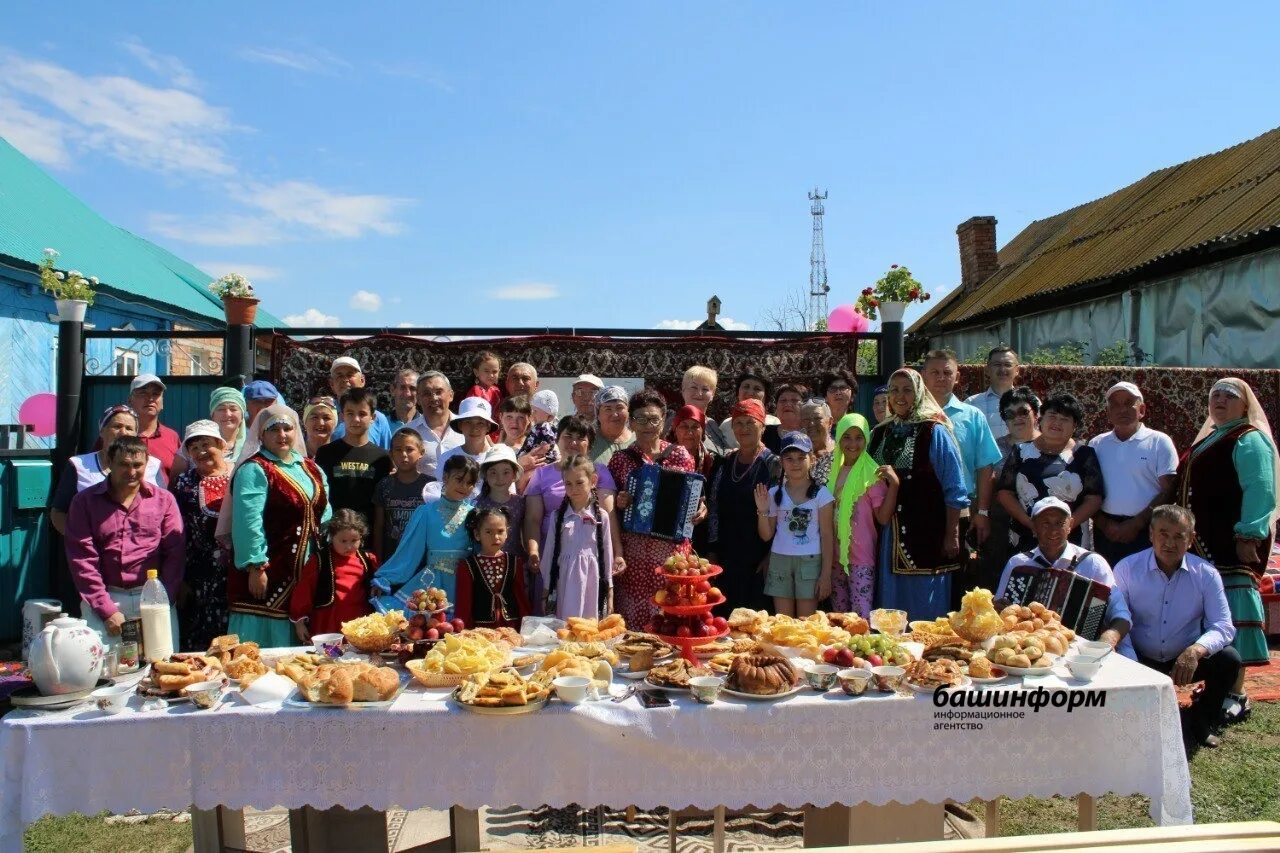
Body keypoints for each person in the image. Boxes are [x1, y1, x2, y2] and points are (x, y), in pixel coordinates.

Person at [1176, 377, 1279, 723]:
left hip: (1231, 542)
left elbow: (1261, 488)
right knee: (1213, 614)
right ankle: (1218, 683)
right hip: (1203, 544)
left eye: (1229, 395)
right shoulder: (1211, 438)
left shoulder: (1249, 439)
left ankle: (1237, 693)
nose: (1219, 400)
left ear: (1245, 404)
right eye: (1214, 395)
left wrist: (1249, 534)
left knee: (1232, 613)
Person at [1113, 505, 1241, 750]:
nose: (1169, 543)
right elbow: (1119, 620)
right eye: (1163, 534)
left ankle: (1202, 720)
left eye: (1178, 536)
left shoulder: (1206, 574)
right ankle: (1136, 720)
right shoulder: (1127, 569)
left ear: (1191, 540)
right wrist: (1133, 666)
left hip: (1185, 658)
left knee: (1229, 659)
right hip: (1140, 656)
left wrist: (1196, 650)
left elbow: (1223, 626)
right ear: (1151, 534)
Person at [223, 404, 331, 647]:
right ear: (261, 434)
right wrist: (255, 566)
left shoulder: (310, 467)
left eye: (287, 428)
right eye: (274, 430)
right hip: (270, 569)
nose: (282, 435)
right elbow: (248, 521)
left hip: (305, 569)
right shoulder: (255, 469)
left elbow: (325, 511)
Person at [65, 435, 184, 649]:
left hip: (154, 596)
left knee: (162, 669)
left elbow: (174, 554)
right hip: (105, 597)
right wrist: (106, 609)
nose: (131, 472)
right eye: (124, 465)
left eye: (138, 465)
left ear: (146, 464)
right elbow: (82, 560)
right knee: (104, 673)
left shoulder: (164, 500)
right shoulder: (84, 502)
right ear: (109, 463)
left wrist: (164, 599)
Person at [868, 368, 969, 620]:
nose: (899, 396)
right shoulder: (880, 432)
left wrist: (951, 534)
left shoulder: (934, 431)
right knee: (888, 606)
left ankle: (927, 654)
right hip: (885, 535)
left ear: (919, 392)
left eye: (907, 389)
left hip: (926, 532)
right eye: (894, 390)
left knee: (924, 604)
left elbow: (954, 488)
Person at [995, 497, 1132, 654]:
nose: (1053, 530)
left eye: (1060, 523)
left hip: (1085, 652)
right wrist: (998, 609)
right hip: (1033, 652)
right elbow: (1000, 611)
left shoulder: (1093, 563)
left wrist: (1108, 639)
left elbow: (1121, 614)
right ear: (1034, 527)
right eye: (1045, 523)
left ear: (1070, 526)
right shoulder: (1018, 564)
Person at [609, 389, 697, 629]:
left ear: (664, 419)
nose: (647, 425)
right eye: (640, 419)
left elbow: (692, 498)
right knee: (633, 624)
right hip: (634, 555)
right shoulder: (620, 459)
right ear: (631, 422)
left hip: (672, 553)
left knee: (672, 617)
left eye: (654, 419)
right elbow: (608, 507)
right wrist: (620, 502)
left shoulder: (680, 455)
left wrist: (700, 510)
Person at [921, 349, 1002, 604]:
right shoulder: (909, 417)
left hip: (962, 511)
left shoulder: (972, 416)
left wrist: (983, 513)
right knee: (921, 577)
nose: (941, 378)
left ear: (958, 377)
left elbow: (985, 467)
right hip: (920, 510)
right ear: (923, 376)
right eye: (934, 372)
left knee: (959, 580)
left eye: (947, 373)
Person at [523, 416, 620, 612]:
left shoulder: (599, 472)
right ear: (557, 440)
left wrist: (617, 553)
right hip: (554, 556)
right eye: (568, 436)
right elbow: (532, 519)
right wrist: (533, 552)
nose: (573, 442)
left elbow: (607, 516)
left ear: (589, 444)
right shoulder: (542, 474)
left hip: (591, 558)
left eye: (580, 438)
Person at [996, 392, 1105, 553]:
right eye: (1052, 416)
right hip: (1026, 533)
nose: (1057, 422)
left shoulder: (1084, 454)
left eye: (1064, 419)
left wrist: (1066, 526)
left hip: (1071, 536)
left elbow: (1094, 498)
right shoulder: (1021, 451)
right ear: (1041, 419)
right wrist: (1030, 523)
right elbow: (1005, 493)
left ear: (1075, 425)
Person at [371, 455, 478, 611]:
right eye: (459, 479)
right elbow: (409, 551)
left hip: (465, 583)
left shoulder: (474, 515)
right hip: (432, 583)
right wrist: (385, 579)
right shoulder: (426, 512)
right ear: (445, 477)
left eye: (470, 483)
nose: (464, 486)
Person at [1090, 382, 1178, 567]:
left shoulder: (1159, 442)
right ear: (1108, 413)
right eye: (1115, 404)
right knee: (1107, 588)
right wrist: (1105, 525)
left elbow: (1169, 489)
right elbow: (1088, 490)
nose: (1121, 409)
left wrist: (1137, 524)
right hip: (1106, 532)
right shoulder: (1096, 444)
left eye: (1128, 402)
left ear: (1142, 410)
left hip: (1147, 529)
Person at [707, 399, 781, 611]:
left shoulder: (773, 464)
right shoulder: (725, 462)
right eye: (739, 423)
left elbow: (783, 512)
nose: (744, 428)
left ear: (762, 426)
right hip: (726, 557)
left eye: (750, 422)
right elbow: (713, 508)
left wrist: (771, 555)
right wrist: (712, 550)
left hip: (758, 558)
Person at [755, 432, 835, 617]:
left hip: (810, 562)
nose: (795, 463)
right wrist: (762, 511)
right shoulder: (775, 493)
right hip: (780, 561)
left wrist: (825, 575)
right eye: (789, 458)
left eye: (801, 458)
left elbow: (827, 535)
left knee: (805, 622)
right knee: (783, 621)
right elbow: (766, 535)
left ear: (812, 459)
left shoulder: (822, 494)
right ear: (782, 462)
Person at [50, 404, 162, 535]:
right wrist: (80, 541)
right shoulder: (79, 465)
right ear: (102, 431)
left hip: (141, 549)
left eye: (129, 428)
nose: (123, 432)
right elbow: (58, 513)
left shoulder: (153, 465)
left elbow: (162, 507)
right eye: (117, 426)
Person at [171, 420, 234, 652]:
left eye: (206, 444)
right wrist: (180, 578)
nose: (201, 452)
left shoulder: (240, 473)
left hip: (236, 573)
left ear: (221, 444)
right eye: (193, 447)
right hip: (198, 578)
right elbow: (176, 533)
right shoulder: (183, 483)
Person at [827, 413, 897, 618]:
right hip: (834, 557)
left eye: (859, 437)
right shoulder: (834, 471)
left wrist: (894, 485)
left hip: (861, 559)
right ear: (838, 438)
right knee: (838, 617)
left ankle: (860, 651)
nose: (852, 443)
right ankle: (841, 652)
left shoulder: (872, 474)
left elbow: (883, 518)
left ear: (867, 438)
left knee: (860, 617)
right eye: (846, 437)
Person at [977, 386, 1041, 588]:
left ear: (1036, 413)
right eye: (1010, 414)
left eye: (1023, 411)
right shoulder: (994, 448)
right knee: (999, 580)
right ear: (1004, 419)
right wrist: (982, 515)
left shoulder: (1051, 444)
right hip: (1000, 526)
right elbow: (984, 485)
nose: (1017, 418)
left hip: (1042, 525)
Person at [541, 454, 615, 620]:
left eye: (580, 482)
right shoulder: (557, 517)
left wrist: (609, 591)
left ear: (593, 480)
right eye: (568, 484)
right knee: (565, 625)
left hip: (592, 580)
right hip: (564, 582)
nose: (574, 489)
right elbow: (548, 556)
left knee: (588, 627)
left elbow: (607, 555)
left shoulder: (601, 517)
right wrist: (546, 592)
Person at [290, 509, 379, 642]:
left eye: (354, 540)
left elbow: (379, 587)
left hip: (359, 624)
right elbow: (304, 590)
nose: (349, 546)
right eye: (343, 541)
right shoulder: (319, 560)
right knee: (329, 659)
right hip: (327, 623)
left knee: (356, 660)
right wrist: (299, 622)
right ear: (332, 537)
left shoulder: (369, 560)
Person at [315, 387, 393, 524]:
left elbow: (382, 503)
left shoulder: (382, 458)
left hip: (369, 534)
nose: (356, 419)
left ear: (372, 417)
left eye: (362, 414)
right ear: (342, 416)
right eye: (350, 413)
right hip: (333, 533)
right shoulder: (325, 453)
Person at [455, 506, 531, 629]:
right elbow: (464, 603)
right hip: (480, 629)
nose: (495, 537)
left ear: (507, 532)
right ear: (477, 534)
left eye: (500, 531)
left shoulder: (515, 562)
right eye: (488, 532)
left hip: (511, 626)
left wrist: (526, 627)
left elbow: (520, 597)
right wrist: (464, 631)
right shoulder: (467, 565)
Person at [372, 428, 431, 560]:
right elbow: (379, 525)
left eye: (409, 449)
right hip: (392, 558)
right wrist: (377, 560)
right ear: (391, 453)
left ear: (421, 452)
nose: (404, 454)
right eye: (398, 450)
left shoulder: (430, 486)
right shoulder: (384, 485)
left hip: (421, 559)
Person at [171, 386, 248, 480]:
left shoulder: (252, 447)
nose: (227, 414)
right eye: (221, 409)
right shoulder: (191, 445)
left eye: (233, 409)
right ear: (212, 415)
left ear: (242, 415)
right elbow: (174, 485)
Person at [427, 397, 495, 500]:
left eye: (480, 423)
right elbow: (440, 493)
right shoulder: (447, 457)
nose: (474, 428)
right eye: (468, 422)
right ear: (460, 425)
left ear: (488, 426)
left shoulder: (497, 457)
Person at [407, 371, 464, 479]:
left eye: (439, 392)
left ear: (451, 395)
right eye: (427, 393)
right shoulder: (407, 432)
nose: (434, 398)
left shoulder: (468, 429)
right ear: (418, 399)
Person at [125, 374, 182, 480]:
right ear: (130, 400)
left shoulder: (172, 437)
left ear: (162, 403)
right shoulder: (119, 434)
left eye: (156, 394)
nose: (150, 398)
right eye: (143, 393)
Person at [329, 356, 393, 450]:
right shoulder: (326, 416)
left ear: (362, 380)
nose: (345, 380)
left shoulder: (378, 419)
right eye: (340, 376)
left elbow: (387, 455)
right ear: (332, 384)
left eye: (350, 375)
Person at [474, 444, 526, 558]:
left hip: (515, 564)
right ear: (486, 476)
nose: (500, 478)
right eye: (493, 472)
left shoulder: (521, 503)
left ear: (514, 475)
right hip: (486, 565)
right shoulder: (477, 505)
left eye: (506, 472)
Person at [964, 346, 1021, 442]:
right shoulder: (971, 404)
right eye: (997, 364)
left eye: (1007, 364)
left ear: (1017, 371)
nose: (1002, 369)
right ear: (987, 370)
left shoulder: (1030, 402)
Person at [718, 370, 779, 450]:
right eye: (746, 386)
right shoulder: (726, 425)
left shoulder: (774, 423)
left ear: (766, 396)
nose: (750, 393)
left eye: (757, 389)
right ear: (738, 392)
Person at [679, 365, 731, 452]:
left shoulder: (712, 424)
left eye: (705, 389)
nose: (699, 393)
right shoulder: (674, 423)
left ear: (713, 394)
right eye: (694, 387)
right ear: (683, 390)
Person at [590, 385, 635, 465]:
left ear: (628, 411)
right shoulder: (589, 441)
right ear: (598, 414)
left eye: (619, 408)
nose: (614, 414)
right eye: (608, 409)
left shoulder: (639, 439)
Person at [800, 400, 836, 484]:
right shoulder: (796, 455)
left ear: (830, 422)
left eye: (817, 418)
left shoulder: (841, 453)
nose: (811, 424)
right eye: (806, 420)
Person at [763, 384, 804, 454]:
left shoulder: (812, 432)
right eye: (783, 400)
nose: (788, 404)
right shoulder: (764, 433)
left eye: (794, 400)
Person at [526, 390, 561, 466]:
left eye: (535, 411)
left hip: (541, 465)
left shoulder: (543, 428)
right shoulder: (556, 428)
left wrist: (520, 457)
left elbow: (533, 448)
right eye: (532, 410)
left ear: (550, 416)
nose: (532, 413)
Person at [387, 368, 420, 433]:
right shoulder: (381, 425)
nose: (407, 394)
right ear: (392, 390)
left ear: (419, 393)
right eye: (402, 388)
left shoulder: (427, 425)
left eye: (412, 388)